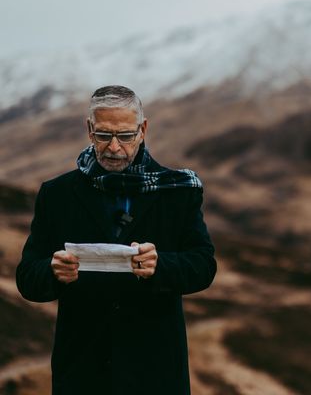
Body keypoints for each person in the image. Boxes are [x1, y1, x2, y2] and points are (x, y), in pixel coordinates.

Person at [16, 85, 217, 395]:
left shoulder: (178, 192)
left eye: (125, 136)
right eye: (103, 135)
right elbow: (28, 277)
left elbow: (203, 266)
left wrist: (161, 264)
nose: (113, 147)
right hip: (81, 372)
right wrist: (52, 272)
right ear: (88, 129)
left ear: (143, 129)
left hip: (156, 371)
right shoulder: (56, 195)